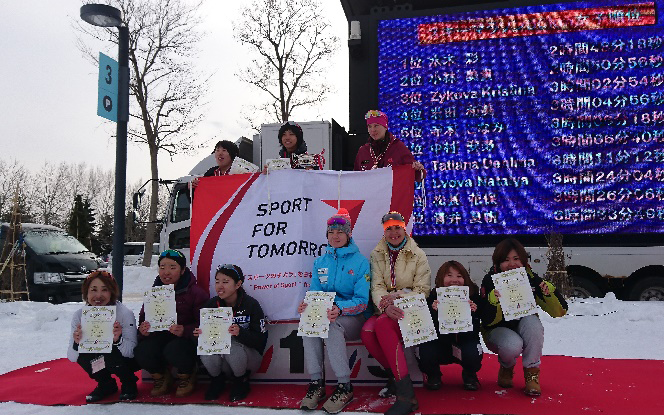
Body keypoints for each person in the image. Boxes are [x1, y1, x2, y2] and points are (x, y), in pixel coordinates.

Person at [298, 208, 371, 413]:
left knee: (331, 326)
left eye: (340, 231)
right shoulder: (320, 262)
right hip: (327, 314)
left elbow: (362, 301)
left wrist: (340, 308)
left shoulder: (360, 262)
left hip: (354, 317)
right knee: (308, 324)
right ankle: (316, 384)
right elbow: (315, 293)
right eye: (331, 232)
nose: (335, 236)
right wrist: (307, 306)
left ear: (348, 234)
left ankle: (344, 385)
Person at [360, 211, 430, 415]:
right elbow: (377, 286)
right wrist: (384, 306)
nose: (394, 232)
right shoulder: (376, 254)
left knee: (381, 325)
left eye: (397, 227)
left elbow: (422, 290)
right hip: (385, 308)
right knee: (367, 332)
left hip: (411, 309)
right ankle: (394, 377)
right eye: (389, 228)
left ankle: (406, 396)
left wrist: (397, 298)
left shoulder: (418, 254)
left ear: (404, 228)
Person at [479, 238, 568, 396]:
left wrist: (549, 293)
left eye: (516, 259)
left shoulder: (531, 278)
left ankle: (532, 375)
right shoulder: (490, 280)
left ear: (523, 260)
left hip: (523, 323)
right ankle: (507, 366)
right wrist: (493, 301)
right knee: (513, 344)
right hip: (497, 330)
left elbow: (559, 311)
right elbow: (485, 319)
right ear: (498, 263)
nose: (512, 264)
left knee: (534, 326)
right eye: (505, 260)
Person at [134, 249, 209, 397]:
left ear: (182, 270)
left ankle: (187, 375)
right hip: (160, 335)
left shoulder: (195, 293)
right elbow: (143, 319)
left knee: (174, 349)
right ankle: (162, 377)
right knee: (141, 351)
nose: (166, 272)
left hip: (184, 340)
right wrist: (143, 329)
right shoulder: (153, 293)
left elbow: (205, 324)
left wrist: (185, 330)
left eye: (172, 267)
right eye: (162, 267)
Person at [194, 264, 267, 402]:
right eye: (217, 281)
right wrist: (199, 334)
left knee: (232, 343)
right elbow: (201, 338)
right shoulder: (210, 306)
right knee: (206, 346)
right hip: (223, 362)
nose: (220, 286)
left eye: (225, 282)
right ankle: (217, 380)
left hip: (249, 360)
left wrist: (241, 333)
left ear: (238, 284)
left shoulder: (251, 305)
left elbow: (260, 340)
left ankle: (241, 381)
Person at [67, 270, 139, 402]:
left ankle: (128, 382)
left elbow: (132, 352)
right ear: (86, 293)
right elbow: (72, 357)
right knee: (84, 355)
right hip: (101, 359)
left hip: (124, 360)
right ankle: (105, 383)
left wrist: (118, 340)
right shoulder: (80, 315)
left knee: (109, 350)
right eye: (93, 290)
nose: (98, 296)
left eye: (104, 290)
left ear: (112, 292)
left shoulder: (124, 313)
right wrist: (77, 343)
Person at [418, 261, 483, 391]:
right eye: (449, 275)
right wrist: (433, 312)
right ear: (441, 279)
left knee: (473, 352)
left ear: (465, 279)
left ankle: (469, 374)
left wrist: (474, 313)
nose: (454, 280)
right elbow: (425, 328)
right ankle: (433, 374)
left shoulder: (474, 297)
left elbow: (483, 323)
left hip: (464, 343)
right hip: (440, 345)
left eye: (459, 276)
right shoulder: (433, 297)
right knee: (424, 350)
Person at [354, 110, 425, 180]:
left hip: (392, 191)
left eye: (376, 126)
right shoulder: (363, 151)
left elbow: (418, 176)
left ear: (385, 127)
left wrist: (418, 169)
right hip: (369, 191)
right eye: (370, 126)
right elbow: (355, 178)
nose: (373, 130)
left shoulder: (398, 147)